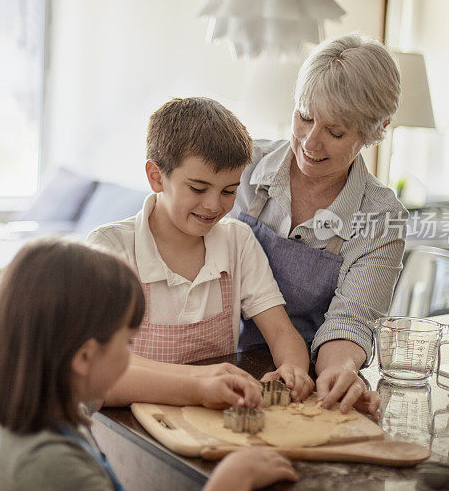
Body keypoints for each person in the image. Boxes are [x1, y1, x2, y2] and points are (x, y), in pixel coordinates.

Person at [0, 239, 299, 490]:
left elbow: (119, 386)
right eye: (126, 344)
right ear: (84, 358)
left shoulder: (31, 400)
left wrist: (199, 385)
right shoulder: (51, 465)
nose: (131, 356)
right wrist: (228, 481)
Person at [88, 97, 314, 405]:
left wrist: (293, 369)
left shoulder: (239, 241)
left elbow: (281, 333)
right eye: (197, 188)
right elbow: (99, 375)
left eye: (229, 191)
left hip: (213, 419)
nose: (213, 205)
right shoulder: (110, 249)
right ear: (156, 176)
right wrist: (199, 385)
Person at [232, 33, 407, 414]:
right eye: (305, 117)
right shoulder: (241, 164)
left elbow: (352, 319)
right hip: (211, 360)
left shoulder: (381, 219)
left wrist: (340, 371)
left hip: (300, 383)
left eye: (335, 131)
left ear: (376, 128)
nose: (311, 142)